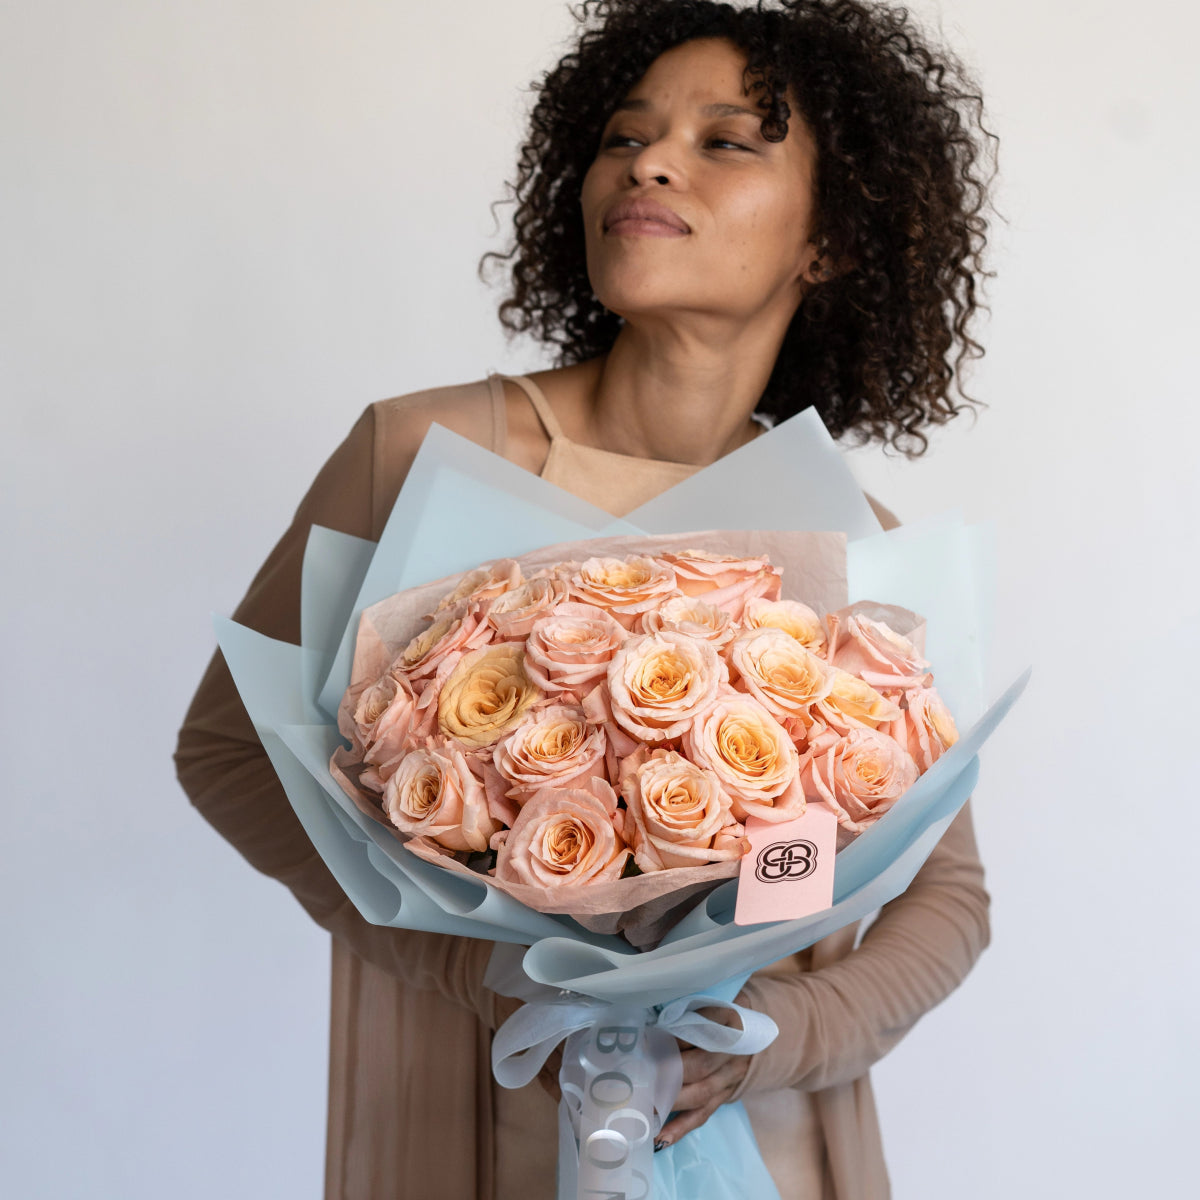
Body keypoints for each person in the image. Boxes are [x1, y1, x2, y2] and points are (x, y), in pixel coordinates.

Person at [174, 1, 996, 1196]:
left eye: (727, 140)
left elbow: (947, 894)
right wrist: (494, 975)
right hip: (484, 1110)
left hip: (767, 1145)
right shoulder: (422, 454)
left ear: (834, 240)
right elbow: (229, 755)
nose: (648, 161)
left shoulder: (855, 542)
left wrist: (769, 1035)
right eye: (623, 134)